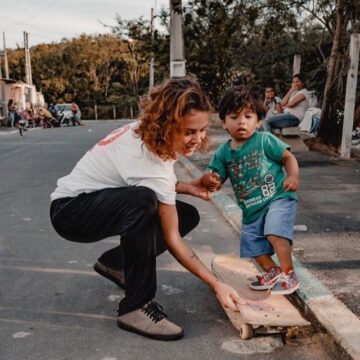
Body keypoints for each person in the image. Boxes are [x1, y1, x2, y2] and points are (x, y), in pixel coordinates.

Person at [49, 78, 241, 341]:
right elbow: (171, 236)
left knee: (186, 214)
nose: (198, 139)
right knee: (143, 202)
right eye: (188, 132)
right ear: (166, 125)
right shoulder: (143, 155)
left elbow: (146, 180)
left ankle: (117, 264)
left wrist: (188, 187)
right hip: (70, 212)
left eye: (202, 130)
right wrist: (216, 283)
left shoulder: (147, 133)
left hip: (89, 201)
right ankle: (135, 307)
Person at [202, 85, 300, 295]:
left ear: (259, 120)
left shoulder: (265, 140)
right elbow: (216, 176)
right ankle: (271, 271)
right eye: (235, 117)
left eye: (248, 116)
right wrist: (213, 181)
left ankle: (289, 274)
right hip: (251, 209)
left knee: (275, 232)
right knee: (253, 246)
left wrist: (292, 176)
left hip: (277, 197)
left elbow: (288, 157)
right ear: (224, 122)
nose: (242, 122)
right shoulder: (223, 152)